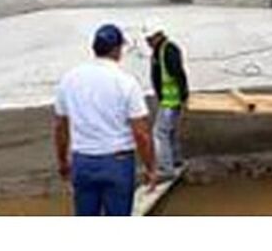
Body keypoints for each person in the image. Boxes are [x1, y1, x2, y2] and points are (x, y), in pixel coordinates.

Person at [53, 23, 156, 216]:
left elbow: (60, 126)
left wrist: (62, 161)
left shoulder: (69, 79)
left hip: (83, 161)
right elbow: (141, 133)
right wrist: (150, 167)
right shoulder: (126, 82)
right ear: (118, 50)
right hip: (117, 162)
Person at [145, 19, 189, 180]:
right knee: (169, 131)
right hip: (169, 99)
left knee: (160, 132)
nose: (147, 43)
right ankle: (176, 162)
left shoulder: (168, 50)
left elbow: (179, 74)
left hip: (171, 100)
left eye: (149, 40)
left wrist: (183, 96)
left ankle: (166, 169)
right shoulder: (160, 50)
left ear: (157, 36)